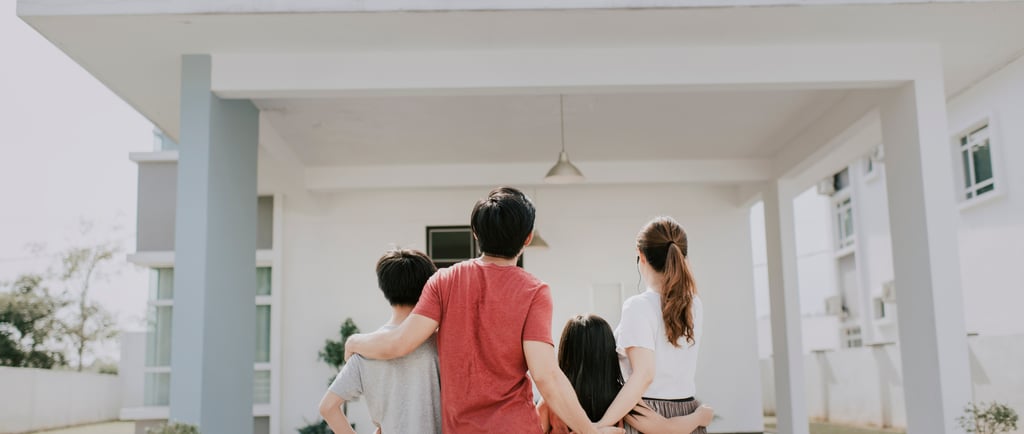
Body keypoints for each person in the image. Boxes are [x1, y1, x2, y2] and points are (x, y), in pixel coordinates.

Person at [345, 187, 623, 434]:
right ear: (527, 239)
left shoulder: (444, 280)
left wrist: (355, 340)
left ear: (475, 233)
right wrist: (591, 431)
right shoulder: (534, 291)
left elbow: (399, 343)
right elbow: (546, 375)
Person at [597, 217, 706, 434]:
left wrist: (601, 425)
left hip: (648, 416)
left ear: (641, 255)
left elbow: (644, 375)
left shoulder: (638, 306)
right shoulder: (694, 304)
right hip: (687, 414)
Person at [318, 249, 442, 434]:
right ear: (428, 286)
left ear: (385, 289)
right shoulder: (440, 343)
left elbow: (327, 407)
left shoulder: (365, 350)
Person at [537, 314, 713, 434]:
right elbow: (666, 428)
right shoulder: (624, 401)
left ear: (566, 354)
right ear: (608, 353)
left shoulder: (551, 403)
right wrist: (699, 417)